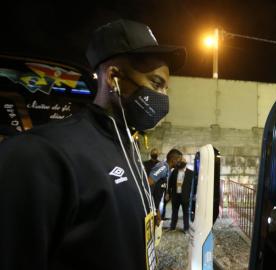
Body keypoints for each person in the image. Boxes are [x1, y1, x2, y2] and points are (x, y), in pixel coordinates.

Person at [0, 19, 186, 270]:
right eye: (156, 84)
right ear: (113, 77)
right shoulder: (40, 154)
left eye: (165, 89)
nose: (162, 98)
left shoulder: (126, 147)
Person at [148, 148, 182, 223]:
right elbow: (147, 185)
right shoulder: (162, 167)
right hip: (149, 206)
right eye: (179, 161)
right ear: (173, 159)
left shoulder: (168, 170)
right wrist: (154, 209)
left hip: (155, 206)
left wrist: (157, 210)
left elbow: (158, 191)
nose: (180, 163)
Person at [168, 157, 193, 232]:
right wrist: (168, 193)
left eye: (183, 161)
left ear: (186, 163)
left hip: (185, 196)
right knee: (174, 212)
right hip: (175, 195)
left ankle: (186, 228)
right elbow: (170, 183)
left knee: (186, 213)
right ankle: (172, 227)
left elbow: (193, 186)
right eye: (179, 161)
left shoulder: (191, 173)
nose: (181, 162)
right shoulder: (174, 172)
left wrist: (193, 195)